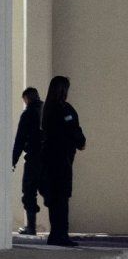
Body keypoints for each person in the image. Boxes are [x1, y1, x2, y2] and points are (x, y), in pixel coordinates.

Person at [39, 76, 86, 247]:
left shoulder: (47, 109)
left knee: (54, 198)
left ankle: (55, 234)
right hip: (62, 159)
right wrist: (81, 142)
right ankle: (61, 234)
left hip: (49, 159)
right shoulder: (64, 109)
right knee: (62, 197)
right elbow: (74, 130)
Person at [12, 88, 44, 235]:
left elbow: (20, 140)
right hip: (49, 159)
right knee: (51, 192)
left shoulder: (28, 114)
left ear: (26, 99)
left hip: (33, 158)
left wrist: (13, 160)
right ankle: (58, 228)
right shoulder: (47, 110)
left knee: (29, 192)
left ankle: (31, 227)